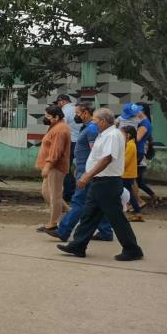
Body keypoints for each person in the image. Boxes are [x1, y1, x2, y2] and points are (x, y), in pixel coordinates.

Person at [57, 108, 144, 261]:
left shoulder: (112, 135)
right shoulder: (104, 134)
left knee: (116, 217)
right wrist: (86, 173)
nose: (94, 123)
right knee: (89, 215)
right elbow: (96, 157)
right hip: (99, 182)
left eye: (95, 121)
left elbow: (107, 158)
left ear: (103, 121)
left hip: (107, 183)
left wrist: (87, 176)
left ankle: (132, 249)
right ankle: (78, 245)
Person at [52, 103, 113, 242]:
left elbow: (95, 152)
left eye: (77, 113)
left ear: (85, 113)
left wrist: (87, 173)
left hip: (87, 171)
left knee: (78, 202)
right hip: (83, 169)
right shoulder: (87, 127)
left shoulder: (91, 128)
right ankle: (106, 232)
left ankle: (63, 231)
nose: (75, 116)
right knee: (98, 203)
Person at [35, 105, 72, 232]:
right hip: (51, 166)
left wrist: (48, 165)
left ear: (56, 117)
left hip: (56, 167)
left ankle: (53, 223)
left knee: (54, 195)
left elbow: (56, 151)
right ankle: (69, 213)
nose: (45, 119)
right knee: (47, 193)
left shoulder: (60, 130)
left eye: (48, 116)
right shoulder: (55, 127)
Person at [55, 94, 82, 202]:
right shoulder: (76, 109)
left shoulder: (65, 111)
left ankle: (68, 194)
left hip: (70, 142)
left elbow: (62, 128)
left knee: (64, 168)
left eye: (58, 103)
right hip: (80, 141)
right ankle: (75, 192)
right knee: (79, 168)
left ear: (61, 101)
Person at [135, 103, 159, 207]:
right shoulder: (145, 123)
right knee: (138, 182)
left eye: (136, 110)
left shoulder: (144, 124)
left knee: (130, 180)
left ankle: (138, 202)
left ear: (142, 111)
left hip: (139, 155)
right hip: (141, 155)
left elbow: (137, 139)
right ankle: (153, 197)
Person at [121, 126, 143, 222]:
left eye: (122, 134)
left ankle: (137, 213)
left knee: (129, 194)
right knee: (129, 194)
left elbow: (125, 161)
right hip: (127, 174)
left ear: (128, 135)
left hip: (126, 174)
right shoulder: (130, 144)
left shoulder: (130, 145)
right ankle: (137, 213)